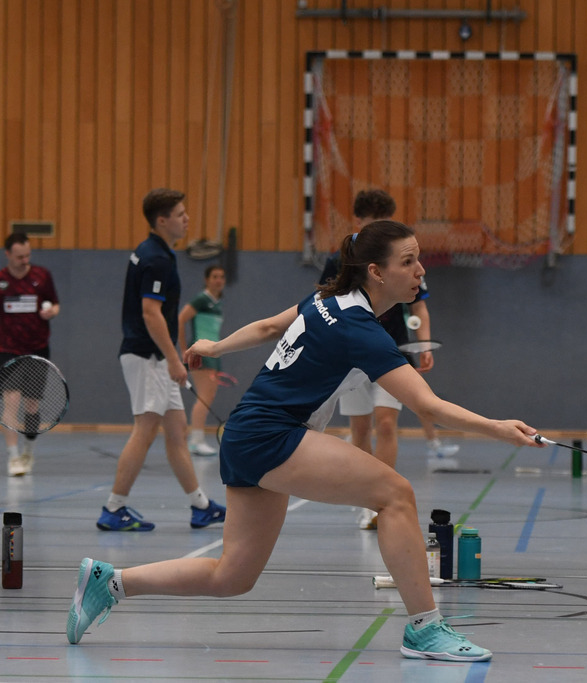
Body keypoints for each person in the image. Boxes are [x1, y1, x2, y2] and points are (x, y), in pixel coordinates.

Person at [67, 219, 542, 661]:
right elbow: (429, 407)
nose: (420, 271)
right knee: (395, 494)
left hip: (249, 434)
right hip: (271, 434)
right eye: (408, 262)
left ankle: (111, 583)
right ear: (375, 272)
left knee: (232, 576)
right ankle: (425, 627)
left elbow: (270, 327)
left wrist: (216, 345)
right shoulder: (362, 330)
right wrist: (499, 428)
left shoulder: (326, 302)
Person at [317, 190, 458, 529]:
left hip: (390, 352)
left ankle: (381, 503)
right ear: (358, 222)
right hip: (350, 359)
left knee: (385, 424)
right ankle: (365, 496)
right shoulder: (340, 260)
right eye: (371, 220)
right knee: (360, 429)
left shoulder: (399, 259)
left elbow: (419, 305)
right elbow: (324, 304)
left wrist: (422, 343)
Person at [96, 188, 226, 532]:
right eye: (181, 214)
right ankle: (114, 507)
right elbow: (151, 313)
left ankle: (200, 506)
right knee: (145, 430)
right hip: (147, 356)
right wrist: (172, 359)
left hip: (153, 357)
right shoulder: (155, 258)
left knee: (176, 433)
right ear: (162, 220)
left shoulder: (153, 253)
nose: (187, 219)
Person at [0, 233, 60, 477]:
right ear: (8, 255)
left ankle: (28, 450)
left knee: (32, 405)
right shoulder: (1, 281)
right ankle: (13, 458)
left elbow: (55, 304)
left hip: (37, 348)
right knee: (11, 401)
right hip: (7, 349)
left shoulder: (41, 276)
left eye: (28, 255)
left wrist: (52, 313)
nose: (25, 260)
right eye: (19, 256)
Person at [178, 264, 227, 456]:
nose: (219, 280)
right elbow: (181, 319)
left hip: (214, 352)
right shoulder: (201, 299)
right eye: (214, 276)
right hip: (201, 353)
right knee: (204, 396)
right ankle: (196, 441)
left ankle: (197, 439)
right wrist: (184, 349)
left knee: (209, 395)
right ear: (207, 280)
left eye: (221, 277)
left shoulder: (217, 302)